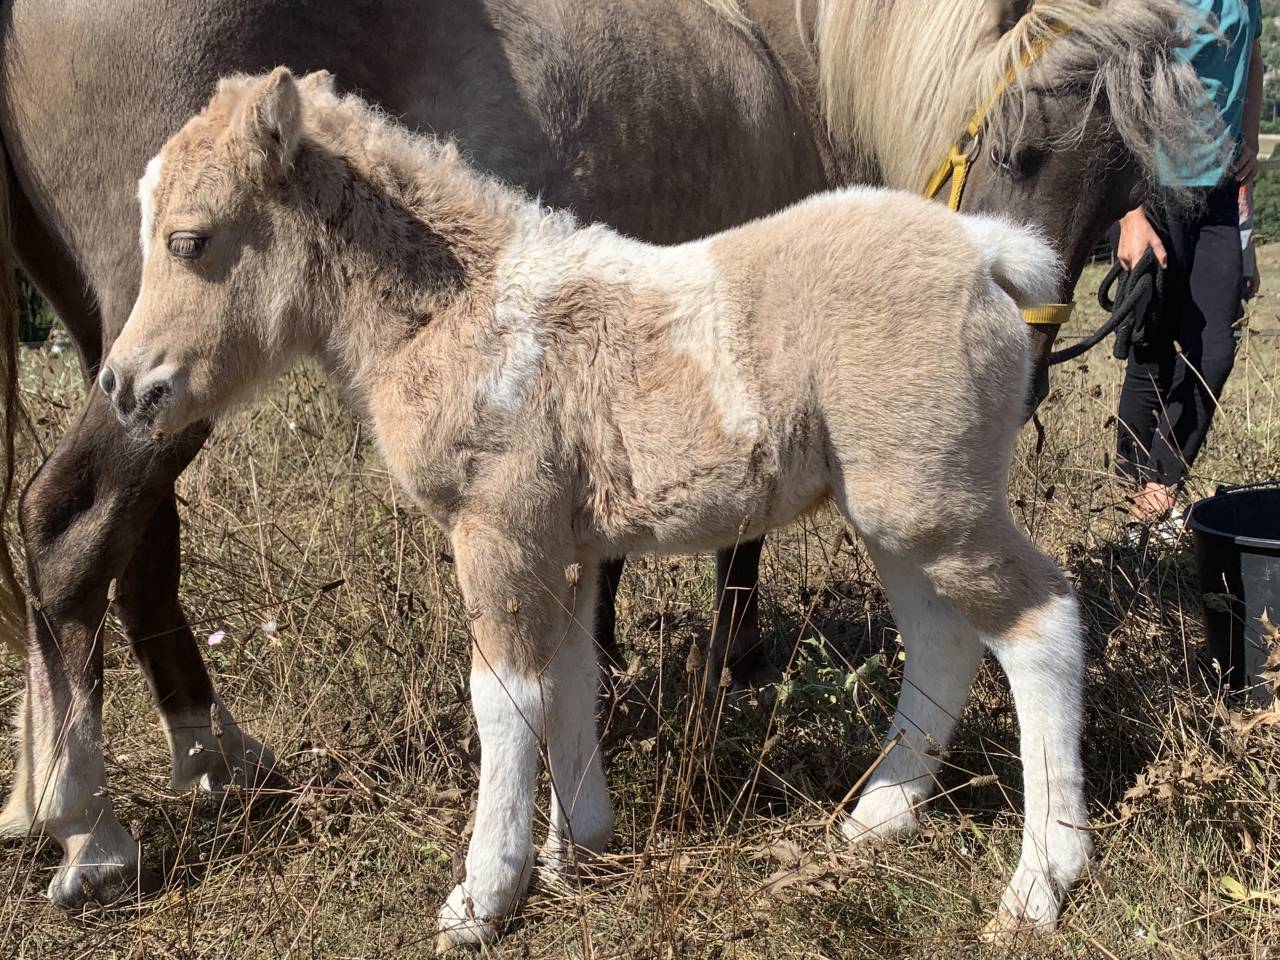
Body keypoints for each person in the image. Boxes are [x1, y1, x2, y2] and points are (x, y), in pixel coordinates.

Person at [1113, 0, 1262, 525]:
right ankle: (1132, 511)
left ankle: (1161, 484)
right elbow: (1117, 85)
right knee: (1151, 351)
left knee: (1215, 350)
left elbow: (1254, 59)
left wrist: (1248, 144)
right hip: (1154, 188)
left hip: (1220, 192)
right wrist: (1129, 214)